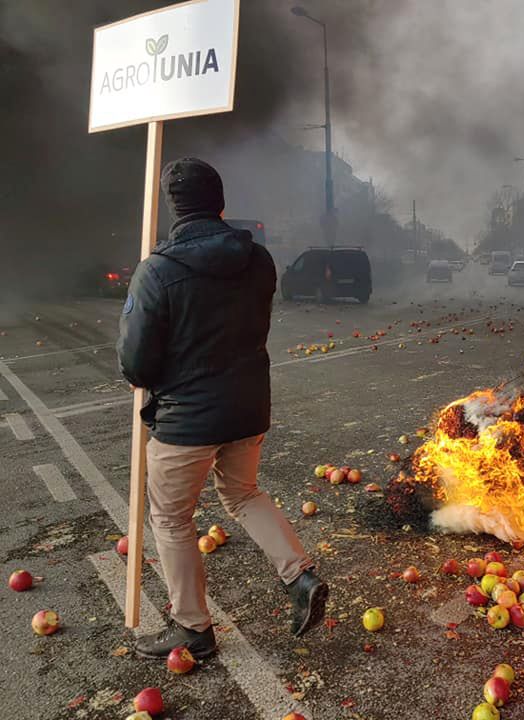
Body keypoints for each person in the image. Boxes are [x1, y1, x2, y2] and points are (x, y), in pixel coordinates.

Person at [117, 158, 327, 661]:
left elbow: (136, 364)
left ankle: (193, 628)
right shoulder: (259, 261)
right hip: (248, 407)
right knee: (243, 493)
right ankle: (300, 576)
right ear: (221, 203)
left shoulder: (157, 272)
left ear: (173, 209)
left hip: (186, 419)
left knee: (170, 518)